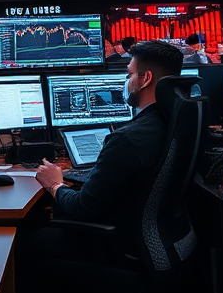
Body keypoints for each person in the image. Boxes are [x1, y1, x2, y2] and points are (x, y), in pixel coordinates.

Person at [35, 39, 185, 237]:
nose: (127, 81)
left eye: (129, 74)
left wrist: (55, 184)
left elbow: (82, 207)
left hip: (119, 239)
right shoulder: (178, 122)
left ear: (146, 79)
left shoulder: (127, 139)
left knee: (29, 238)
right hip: (164, 234)